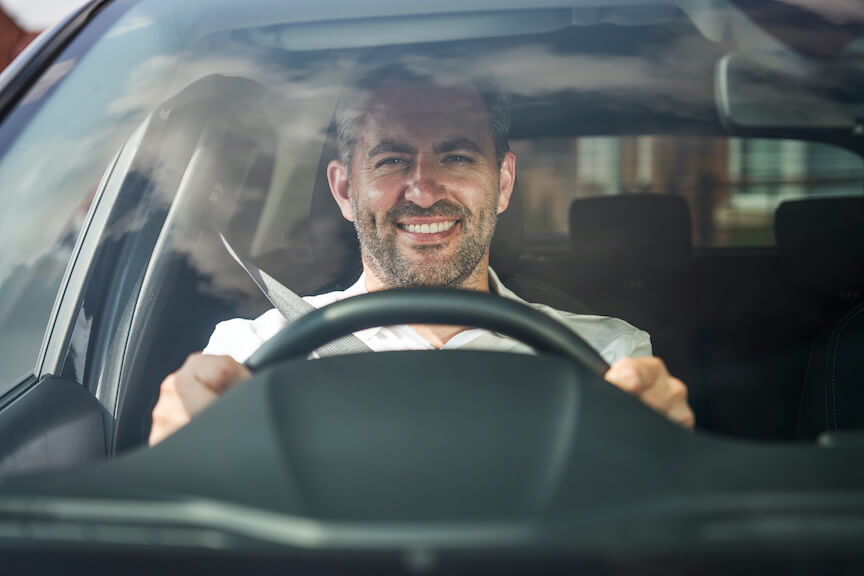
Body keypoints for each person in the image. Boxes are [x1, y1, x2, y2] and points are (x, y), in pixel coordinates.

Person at [149, 67, 695, 446]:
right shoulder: (252, 353)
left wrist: (673, 460)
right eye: (391, 160)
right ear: (343, 190)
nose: (424, 189)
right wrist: (176, 461)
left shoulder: (605, 356)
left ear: (503, 183)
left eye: (456, 156)